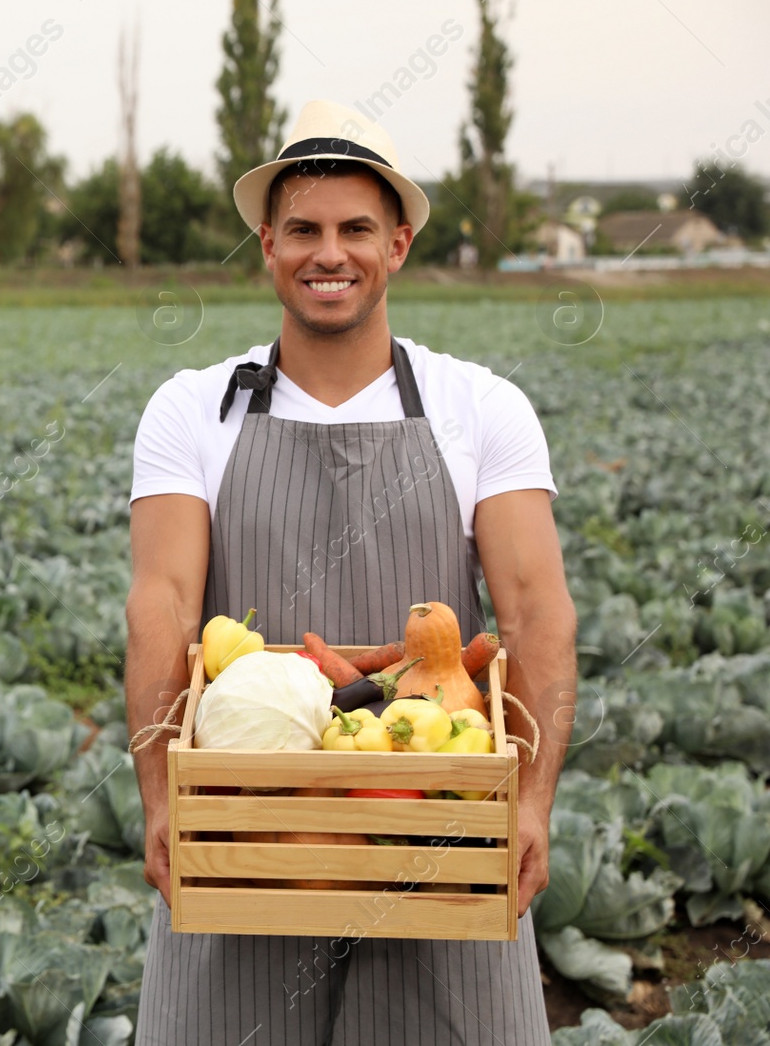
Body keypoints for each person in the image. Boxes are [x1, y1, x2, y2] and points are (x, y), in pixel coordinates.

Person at [124, 100, 577, 1045]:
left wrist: (529, 801)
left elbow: (536, 613)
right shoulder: (190, 409)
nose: (329, 253)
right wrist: (165, 797)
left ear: (398, 244)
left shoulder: (481, 407)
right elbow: (161, 605)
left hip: (437, 830)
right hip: (246, 829)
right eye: (304, 230)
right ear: (268, 245)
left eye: (355, 229)